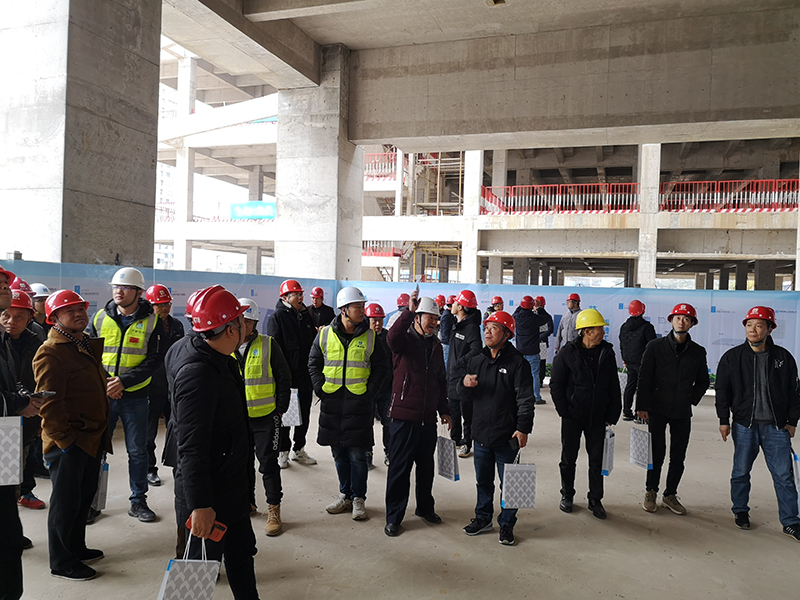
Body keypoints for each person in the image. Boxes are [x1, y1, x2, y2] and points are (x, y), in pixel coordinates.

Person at [165, 285, 261, 599]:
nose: (246, 327)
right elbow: (191, 445)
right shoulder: (198, 373)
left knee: (241, 552)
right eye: (242, 321)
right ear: (231, 329)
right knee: (197, 569)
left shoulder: (208, 352)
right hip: (210, 491)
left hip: (230, 483)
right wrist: (200, 505)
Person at [33, 289, 111, 581]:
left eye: (81, 309)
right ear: (54, 318)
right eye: (70, 311)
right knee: (65, 503)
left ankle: (77, 547)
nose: (79, 314)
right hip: (69, 441)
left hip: (91, 436)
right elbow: (48, 403)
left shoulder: (83, 343)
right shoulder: (51, 351)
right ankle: (62, 562)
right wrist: (65, 440)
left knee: (82, 498)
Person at [715, 306, 800, 541]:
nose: (753, 329)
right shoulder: (732, 358)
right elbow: (722, 391)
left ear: (769, 329)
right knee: (741, 471)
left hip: (777, 427)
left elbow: (794, 392)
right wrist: (724, 420)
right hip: (745, 425)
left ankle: (791, 521)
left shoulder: (783, 358)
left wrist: (792, 421)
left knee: (783, 475)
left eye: (759, 325)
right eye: (749, 325)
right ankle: (740, 510)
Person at [91, 267, 165, 523]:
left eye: (125, 288)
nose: (118, 292)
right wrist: (107, 383)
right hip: (105, 395)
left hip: (135, 396)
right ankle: (93, 502)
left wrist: (123, 381)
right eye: (116, 287)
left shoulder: (153, 322)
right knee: (97, 450)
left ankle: (138, 501)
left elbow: (155, 360)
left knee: (137, 451)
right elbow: (90, 356)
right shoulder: (100, 317)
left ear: (138, 292)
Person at [308, 286, 389, 521]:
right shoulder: (325, 334)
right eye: (358, 307)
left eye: (363, 306)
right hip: (332, 404)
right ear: (344, 310)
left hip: (359, 405)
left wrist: (369, 393)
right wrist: (320, 388)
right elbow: (313, 362)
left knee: (358, 455)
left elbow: (382, 368)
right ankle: (345, 495)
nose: (363, 311)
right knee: (338, 454)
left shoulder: (371, 337)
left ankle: (358, 498)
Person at [459, 311, 535, 546]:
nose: (488, 332)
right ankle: (483, 518)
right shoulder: (476, 361)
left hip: (507, 436)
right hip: (481, 434)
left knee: (511, 483)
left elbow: (525, 399)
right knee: (483, 482)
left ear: (507, 334)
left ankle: (507, 524)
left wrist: (523, 428)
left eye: (494, 328)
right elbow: (464, 398)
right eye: (486, 328)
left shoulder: (518, 363)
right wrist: (464, 385)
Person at [384, 294, 450, 537]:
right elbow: (391, 338)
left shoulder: (436, 346)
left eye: (436, 318)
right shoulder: (404, 341)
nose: (433, 322)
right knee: (399, 469)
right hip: (403, 417)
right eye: (429, 318)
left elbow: (440, 381)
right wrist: (408, 312)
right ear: (417, 318)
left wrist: (444, 409)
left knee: (426, 468)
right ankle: (394, 517)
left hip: (427, 419)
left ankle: (424, 508)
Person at [636, 303, 709, 515]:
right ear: (671, 320)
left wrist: (690, 399)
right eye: (678, 318)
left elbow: (703, 381)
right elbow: (644, 377)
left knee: (678, 456)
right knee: (656, 453)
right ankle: (651, 491)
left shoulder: (697, 352)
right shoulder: (655, 347)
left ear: (692, 323)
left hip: (682, 412)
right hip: (657, 408)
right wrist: (642, 406)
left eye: (686, 319)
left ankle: (670, 495)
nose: (681, 322)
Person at [551, 308, 621, 520]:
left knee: (597, 461)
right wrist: (564, 411)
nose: (603, 332)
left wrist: (613, 413)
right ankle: (567, 495)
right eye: (599, 328)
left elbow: (613, 385)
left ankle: (595, 499)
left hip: (598, 417)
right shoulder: (567, 352)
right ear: (587, 331)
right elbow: (556, 384)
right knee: (568, 459)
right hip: (573, 416)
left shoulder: (607, 352)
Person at [0, 264, 41, 598]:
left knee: (8, 529)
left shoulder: (25, 340)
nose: (5, 287)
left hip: (8, 431)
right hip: (7, 422)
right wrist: (18, 403)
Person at [235, 298, 291, 536]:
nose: (242, 325)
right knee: (241, 463)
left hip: (266, 417)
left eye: (247, 321)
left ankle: (273, 509)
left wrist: (280, 409)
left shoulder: (268, 344)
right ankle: (246, 503)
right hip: (237, 420)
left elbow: (284, 377)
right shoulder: (225, 347)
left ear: (255, 323)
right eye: (239, 320)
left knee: (268, 464)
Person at [0, 291, 45, 510]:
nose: (11, 321)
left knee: (29, 455)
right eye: (6, 315)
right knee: (7, 471)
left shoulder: (36, 342)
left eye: (19, 316)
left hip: (30, 411)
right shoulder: (1, 342)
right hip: (7, 414)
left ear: (29, 318)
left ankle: (25, 492)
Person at [267, 279, 318, 468]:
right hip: (287, 379)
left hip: (305, 377)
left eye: (301, 294)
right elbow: (274, 350)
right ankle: (283, 452)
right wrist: (281, 377)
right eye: (296, 294)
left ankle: (299, 449)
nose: (300, 297)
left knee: (304, 415)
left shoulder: (305, 316)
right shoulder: (277, 318)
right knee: (287, 417)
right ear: (285, 297)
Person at [144, 284, 185, 486]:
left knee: (177, 427)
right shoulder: (145, 327)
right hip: (152, 387)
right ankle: (149, 469)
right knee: (148, 432)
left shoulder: (177, 325)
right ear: (150, 306)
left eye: (167, 303)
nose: (165, 308)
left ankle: (179, 465)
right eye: (159, 305)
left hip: (173, 385)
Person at [447, 290, 482, 458]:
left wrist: (460, 363)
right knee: (454, 410)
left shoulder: (471, 327)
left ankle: (467, 443)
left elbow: (476, 350)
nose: (452, 305)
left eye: (455, 303)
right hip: (452, 376)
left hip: (464, 377)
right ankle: (455, 439)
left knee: (466, 412)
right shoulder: (457, 324)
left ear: (460, 307)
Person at [619, 300, 656, 421]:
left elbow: (622, 344)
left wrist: (624, 358)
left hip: (629, 361)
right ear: (643, 311)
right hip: (643, 363)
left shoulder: (624, 327)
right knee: (643, 388)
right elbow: (652, 346)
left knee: (630, 386)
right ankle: (639, 414)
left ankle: (626, 412)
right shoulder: (647, 327)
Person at [366, 303, 392, 467]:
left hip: (386, 389)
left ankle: (389, 452)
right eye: (374, 320)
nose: (378, 324)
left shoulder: (388, 337)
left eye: (380, 320)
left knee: (388, 423)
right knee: (366, 423)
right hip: (368, 389)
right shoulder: (362, 337)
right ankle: (367, 453)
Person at [513, 295, 546, 406]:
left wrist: (522, 305)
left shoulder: (516, 317)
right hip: (533, 351)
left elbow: (514, 313)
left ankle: (519, 396)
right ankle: (536, 397)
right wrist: (539, 308)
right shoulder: (535, 318)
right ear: (532, 306)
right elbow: (547, 318)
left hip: (520, 351)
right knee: (534, 374)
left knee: (519, 375)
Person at [534, 296, 553, 391]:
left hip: (542, 343)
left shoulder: (546, 316)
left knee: (541, 363)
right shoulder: (532, 316)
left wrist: (539, 337)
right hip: (532, 343)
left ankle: (540, 381)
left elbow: (550, 329)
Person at [440, 295, 456, 370]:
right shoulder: (447, 316)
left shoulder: (449, 315)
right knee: (446, 365)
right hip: (447, 344)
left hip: (448, 343)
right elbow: (446, 332)